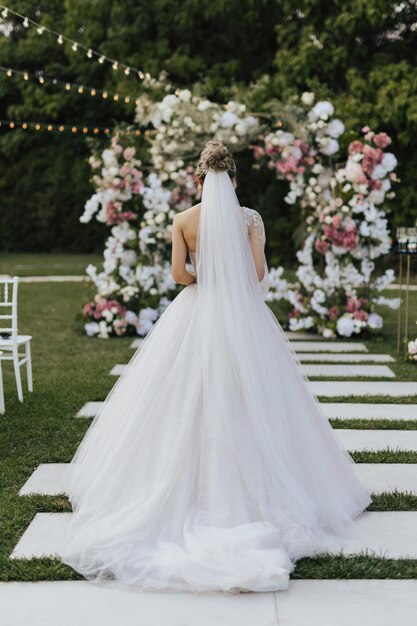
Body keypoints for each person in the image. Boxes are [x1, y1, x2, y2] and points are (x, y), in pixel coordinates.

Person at [62, 140, 371, 594]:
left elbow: (179, 276)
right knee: (258, 391)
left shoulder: (183, 220)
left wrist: (205, 271)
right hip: (243, 315)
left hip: (197, 310)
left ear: (199, 179)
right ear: (234, 180)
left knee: (180, 391)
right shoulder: (249, 219)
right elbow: (258, 273)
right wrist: (229, 271)